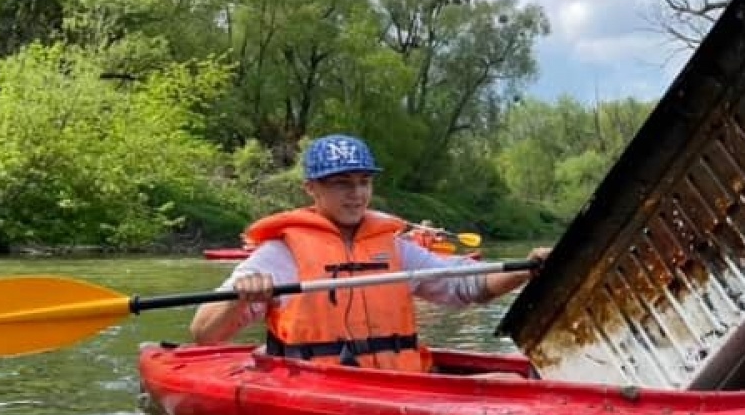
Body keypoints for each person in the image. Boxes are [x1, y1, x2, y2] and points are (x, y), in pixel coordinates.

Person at [189, 134, 550, 370]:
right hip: (316, 388)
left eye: (364, 182)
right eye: (342, 183)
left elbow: (465, 287)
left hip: (399, 384)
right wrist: (239, 298)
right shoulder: (280, 254)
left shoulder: (395, 247)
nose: (357, 194)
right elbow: (204, 334)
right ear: (311, 189)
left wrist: (526, 269)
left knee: (510, 382)